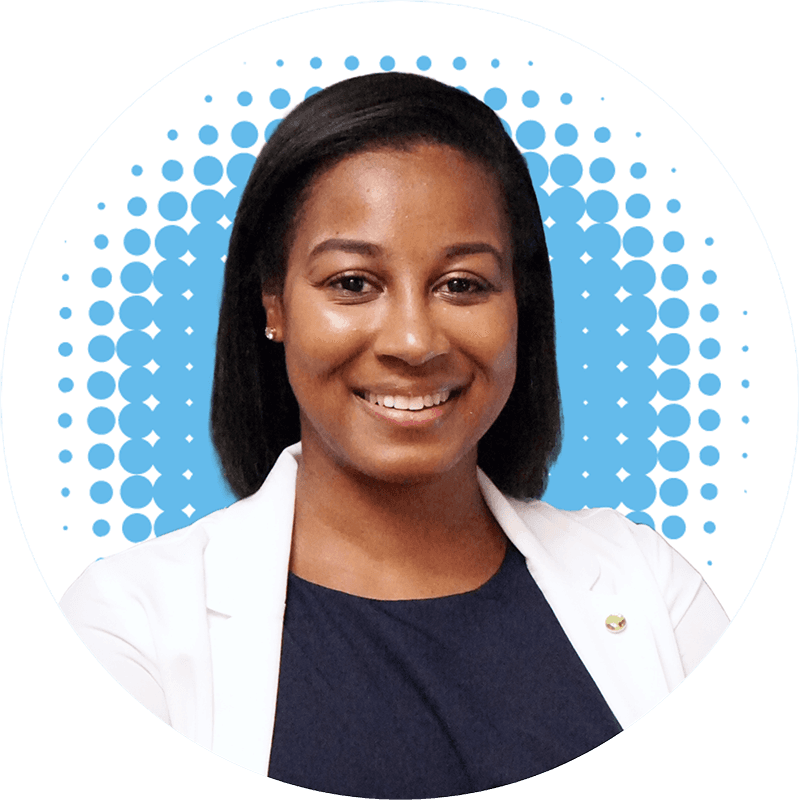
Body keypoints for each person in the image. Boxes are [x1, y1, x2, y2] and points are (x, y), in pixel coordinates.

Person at [61, 72, 728, 797]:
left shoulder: (653, 588)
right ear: (274, 304)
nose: (413, 340)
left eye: (463, 285)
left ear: (520, 307)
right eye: (352, 283)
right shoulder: (129, 626)